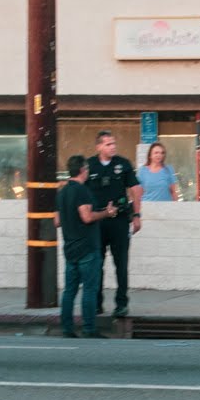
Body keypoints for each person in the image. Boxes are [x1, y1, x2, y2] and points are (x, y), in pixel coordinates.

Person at [55, 155, 117, 338]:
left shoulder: (62, 193)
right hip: (87, 247)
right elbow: (87, 217)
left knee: (69, 291)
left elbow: (57, 221)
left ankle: (67, 328)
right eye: (87, 169)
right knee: (89, 289)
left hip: (70, 248)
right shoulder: (82, 191)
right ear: (83, 170)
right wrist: (107, 212)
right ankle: (89, 328)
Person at [86, 130, 142, 318]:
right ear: (99, 147)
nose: (113, 147)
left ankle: (121, 303)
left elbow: (135, 189)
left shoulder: (123, 164)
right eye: (108, 144)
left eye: (113, 143)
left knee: (121, 263)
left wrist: (136, 214)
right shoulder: (90, 165)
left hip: (118, 220)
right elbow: (81, 192)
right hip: (98, 221)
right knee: (96, 263)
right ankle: (96, 302)